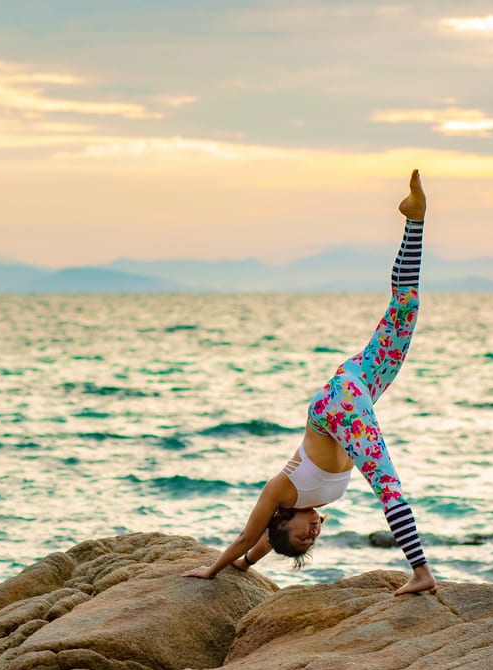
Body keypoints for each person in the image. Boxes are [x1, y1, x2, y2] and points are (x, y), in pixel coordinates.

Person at [182, 169, 436, 595]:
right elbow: (262, 544)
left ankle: (421, 571)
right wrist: (249, 565)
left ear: (284, 519)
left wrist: (215, 570)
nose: (312, 534)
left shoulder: (281, 490)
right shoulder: (309, 505)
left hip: (337, 406)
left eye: (302, 535)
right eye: (311, 540)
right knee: (406, 307)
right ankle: (415, 219)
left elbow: (251, 537)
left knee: (388, 485)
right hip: (357, 387)